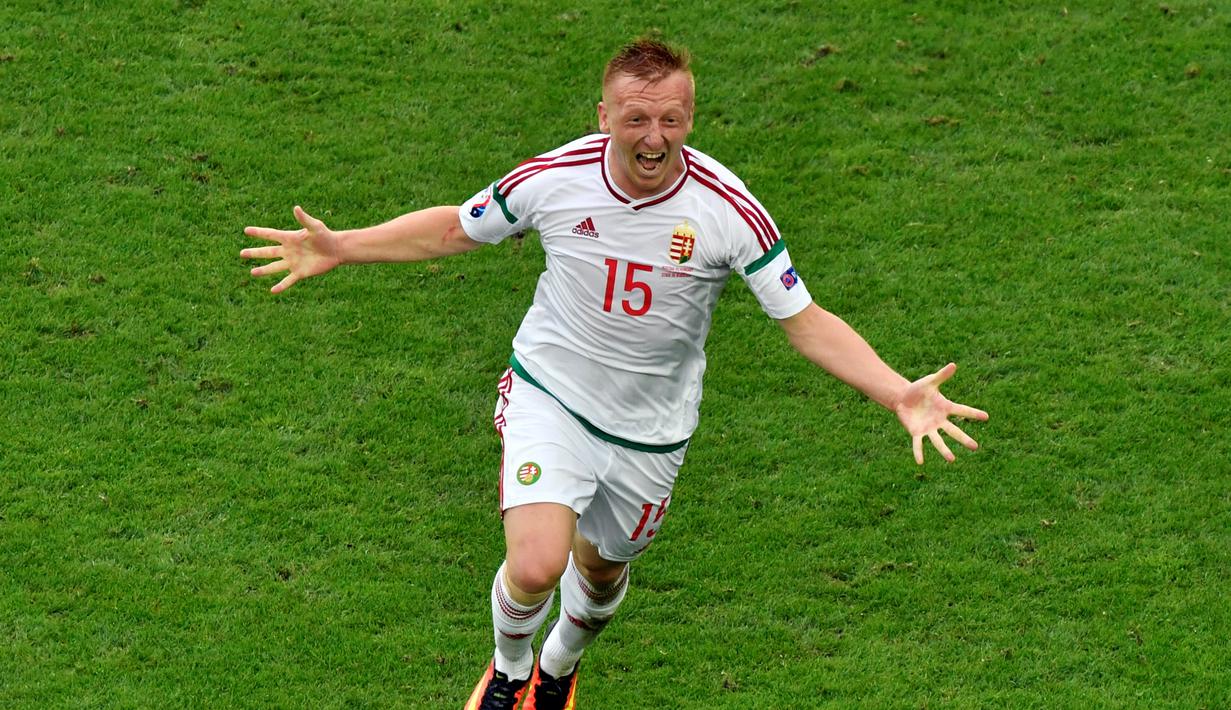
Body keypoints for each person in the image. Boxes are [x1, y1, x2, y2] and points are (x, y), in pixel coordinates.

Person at [241, 39, 988, 710]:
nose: (653, 137)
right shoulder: (555, 179)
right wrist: (343, 247)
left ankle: (559, 668)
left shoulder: (729, 213)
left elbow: (804, 321)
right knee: (536, 566)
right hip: (551, 394)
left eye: (670, 119)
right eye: (635, 119)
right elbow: (451, 230)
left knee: (597, 580)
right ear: (604, 114)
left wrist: (895, 389)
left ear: (691, 117)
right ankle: (507, 674)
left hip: (651, 430)